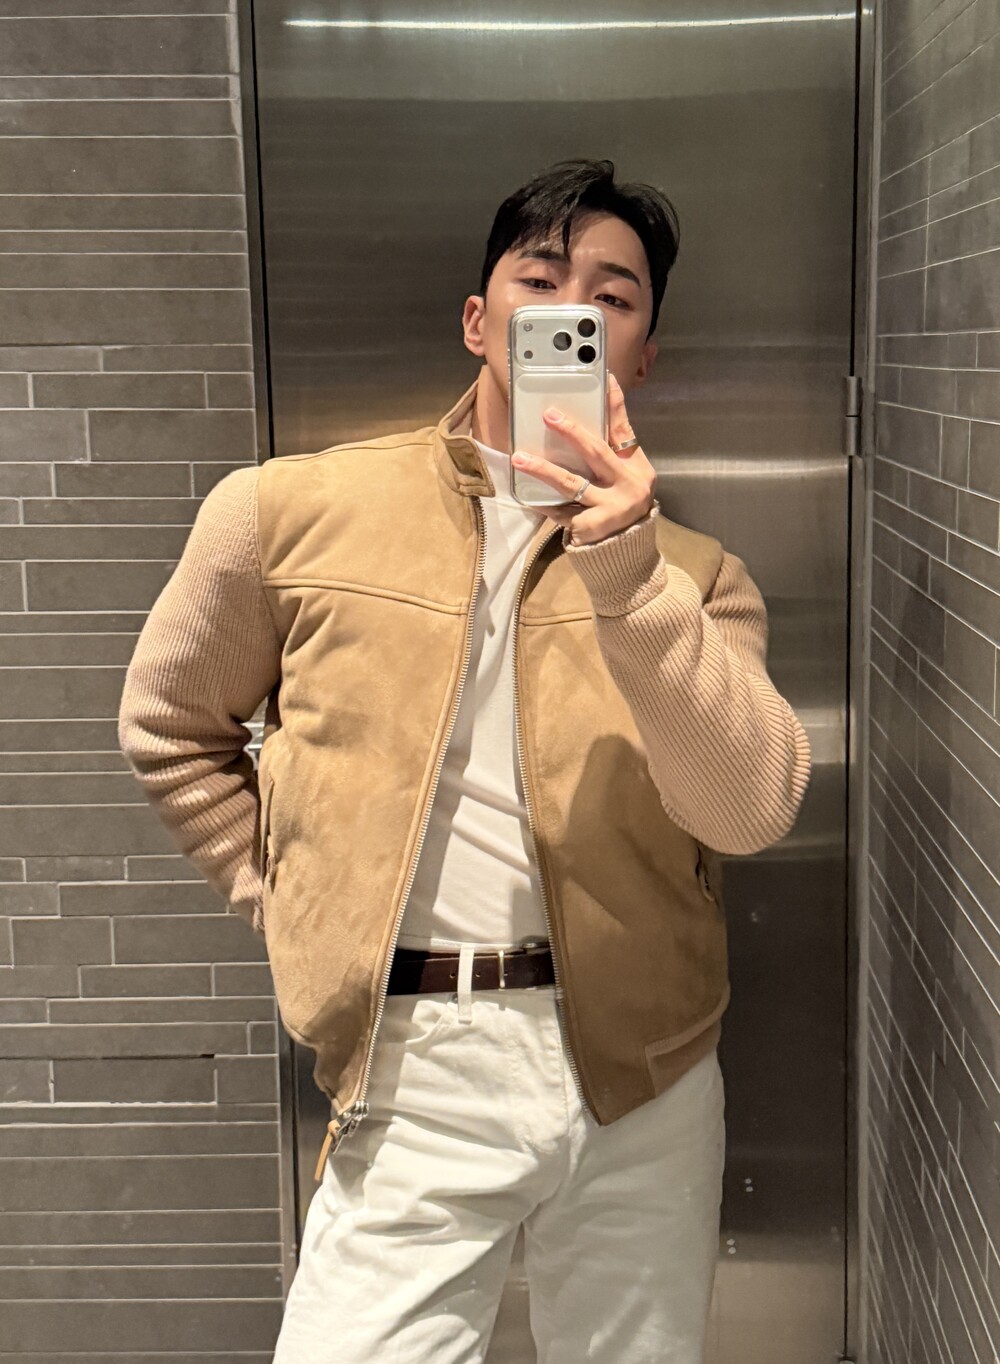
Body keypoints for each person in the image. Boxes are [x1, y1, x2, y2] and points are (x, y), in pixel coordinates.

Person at [118, 157, 812, 1363]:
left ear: (642, 353)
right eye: (540, 282)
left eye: (613, 297)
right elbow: (172, 725)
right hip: (411, 1065)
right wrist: (289, 899)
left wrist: (627, 574)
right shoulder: (287, 515)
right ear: (479, 321)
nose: (572, 312)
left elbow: (748, 809)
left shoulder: (693, 577)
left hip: (645, 1070)